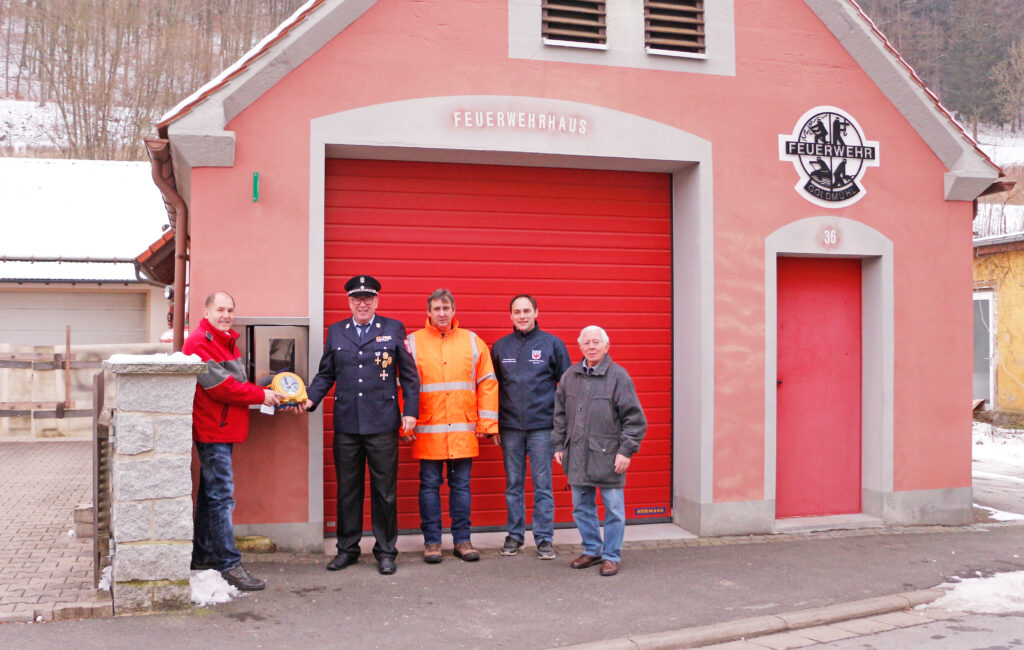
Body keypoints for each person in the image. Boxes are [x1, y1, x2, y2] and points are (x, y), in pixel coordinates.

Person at [305, 275, 419, 575]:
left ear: (377, 301)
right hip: (347, 424)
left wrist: (411, 411)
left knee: (385, 491)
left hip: (382, 423)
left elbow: (409, 375)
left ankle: (385, 551)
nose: (362, 303)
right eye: (357, 299)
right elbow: (326, 373)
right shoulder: (337, 331)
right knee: (348, 490)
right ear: (349, 302)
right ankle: (348, 549)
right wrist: (309, 399)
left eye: (368, 298)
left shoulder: (393, 329)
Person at [184, 290, 284, 592]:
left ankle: (202, 556)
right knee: (222, 497)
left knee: (211, 497)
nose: (226, 315)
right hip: (213, 429)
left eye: (230, 310)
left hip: (223, 428)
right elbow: (221, 387)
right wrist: (261, 394)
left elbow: (237, 384)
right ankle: (229, 564)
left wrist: (274, 393)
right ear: (205, 312)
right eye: (220, 310)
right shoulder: (199, 342)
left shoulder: (225, 342)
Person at [406, 288, 498, 563]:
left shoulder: (472, 341)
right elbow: (403, 387)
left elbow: (488, 383)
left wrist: (488, 423)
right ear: (428, 313)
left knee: (461, 487)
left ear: (454, 310)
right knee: (429, 486)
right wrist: (405, 425)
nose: (442, 313)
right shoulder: (412, 342)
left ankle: (463, 540)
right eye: (436, 309)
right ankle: (432, 542)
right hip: (428, 430)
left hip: (462, 431)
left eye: (446, 308)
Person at [552, 325, 646, 577]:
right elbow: (559, 415)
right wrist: (559, 444)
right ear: (580, 346)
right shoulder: (570, 376)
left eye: (596, 342)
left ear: (607, 346)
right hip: (577, 455)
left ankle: (611, 555)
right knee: (582, 507)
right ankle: (592, 549)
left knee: (613, 510)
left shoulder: (619, 376)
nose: (591, 347)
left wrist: (626, 451)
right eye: (586, 342)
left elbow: (634, 419)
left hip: (609, 455)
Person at [491, 294, 570, 560]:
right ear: (510, 316)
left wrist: (562, 429)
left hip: (542, 429)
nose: (522, 316)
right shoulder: (501, 347)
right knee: (513, 484)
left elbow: (567, 389)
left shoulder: (552, 345)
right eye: (516, 312)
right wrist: (495, 426)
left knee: (542, 485)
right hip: (510, 428)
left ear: (536, 312)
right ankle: (514, 537)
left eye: (526, 310)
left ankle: (544, 539)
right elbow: (492, 389)